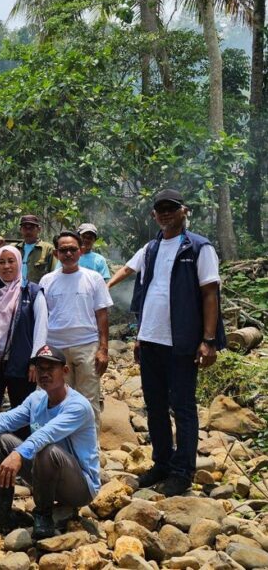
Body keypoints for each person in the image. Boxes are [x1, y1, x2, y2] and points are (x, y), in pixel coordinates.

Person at [117, 189, 225, 497]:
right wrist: (139, 336)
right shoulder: (151, 249)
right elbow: (149, 295)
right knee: (154, 406)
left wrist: (208, 340)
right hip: (150, 340)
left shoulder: (199, 247)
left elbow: (209, 294)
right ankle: (162, 462)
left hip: (181, 342)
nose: (165, 213)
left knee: (183, 406)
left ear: (183, 211)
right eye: (160, 209)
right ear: (154, 215)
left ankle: (182, 472)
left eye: (171, 208)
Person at [0, 345, 100, 540]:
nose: (44, 373)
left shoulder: (78, 406)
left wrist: (18, 454)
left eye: (50, 368)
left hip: (79, 487)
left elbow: (46, 434)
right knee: (0, 440)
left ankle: (43, 516)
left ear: (65, 371)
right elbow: (5, 420)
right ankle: (2, 513)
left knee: (46, 449)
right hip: (46, 477)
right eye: (40, 368)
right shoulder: (37, 399)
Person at [0, 244, 47, 475]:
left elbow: (41, 328)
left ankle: (22, 461)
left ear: (18, 263)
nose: (6, 266)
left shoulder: (33, 292)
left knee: (23, 411)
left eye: (10, 261)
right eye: (1, 262)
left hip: (22, 363)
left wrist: (35, 361)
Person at [39, 231, 113, 434]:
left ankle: (89, 452)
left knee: (88, 400)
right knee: (55, 398)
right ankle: (59, 449)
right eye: (64, 250)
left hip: (87, 347)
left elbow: (102, 315)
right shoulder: (46, 281)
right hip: (55, 349)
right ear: (56, 254)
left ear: (80, 251)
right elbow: (41, 317)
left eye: (73, 249)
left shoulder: (94, 278)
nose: (69, 253)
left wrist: (103, 349)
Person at [15, 215, 55, 284]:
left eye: (31, 228)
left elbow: (54, 273)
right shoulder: (15, 249)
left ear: (39, 229)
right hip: (17, 291)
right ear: (20, 230)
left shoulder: (48, 249)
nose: (28, 232)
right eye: (25, 228)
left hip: (37, 291)